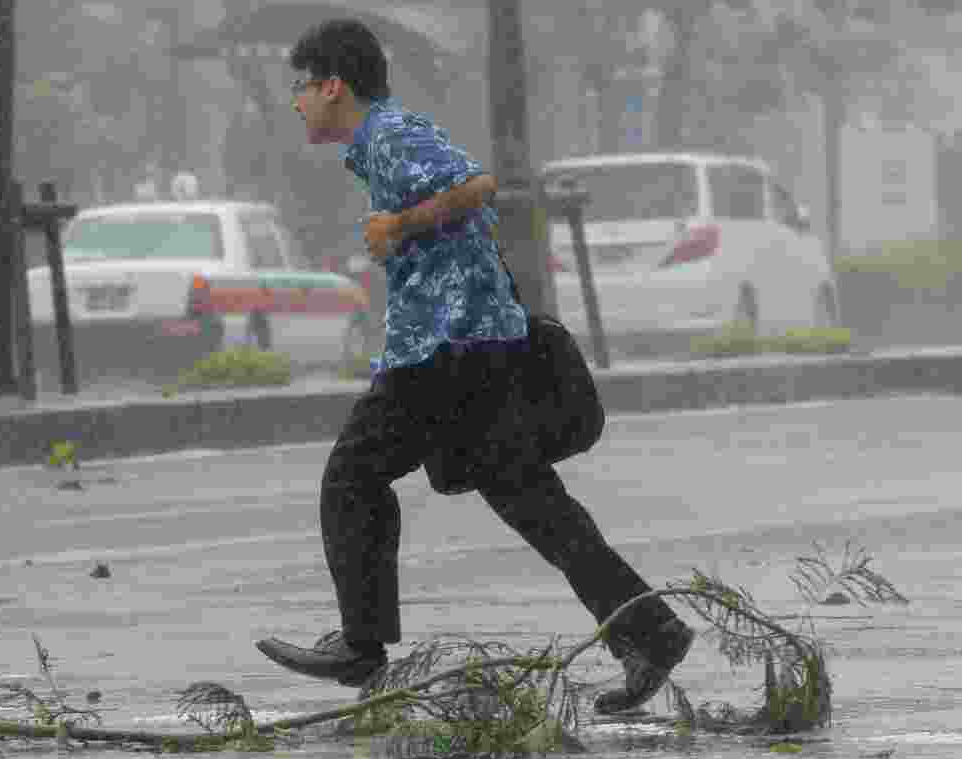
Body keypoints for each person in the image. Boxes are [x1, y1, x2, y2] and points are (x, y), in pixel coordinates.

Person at [255, 18, 694, 714]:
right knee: (532, 502)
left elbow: (478, 186)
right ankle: (651, 629)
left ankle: (361, 642)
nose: (298, 102)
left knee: (352, 475)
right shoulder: (383, 142)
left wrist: (397, 227)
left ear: (333, 84)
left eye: (302, 88)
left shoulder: (392, 136)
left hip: (447, 349)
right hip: (469, 345)